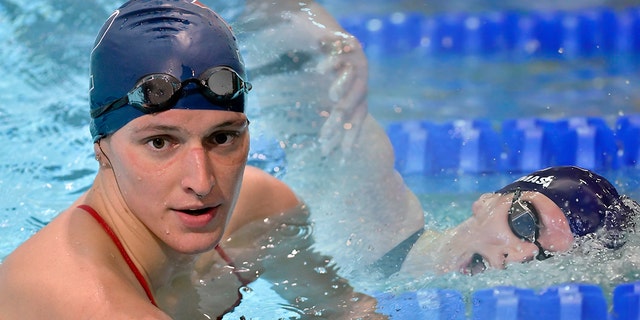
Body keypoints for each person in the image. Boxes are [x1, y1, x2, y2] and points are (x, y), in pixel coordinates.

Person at [0, 1, 382, 318]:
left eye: (222, 137)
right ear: (102, 149)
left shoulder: (262, 210)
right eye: (160, 142)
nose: (202, 183)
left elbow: (347, 310)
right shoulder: (96, 303)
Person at [400, 166, 638, 277]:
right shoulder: (387, 231)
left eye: (545, 255)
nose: (517, 257)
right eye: (525, 222)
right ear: (487, 201)